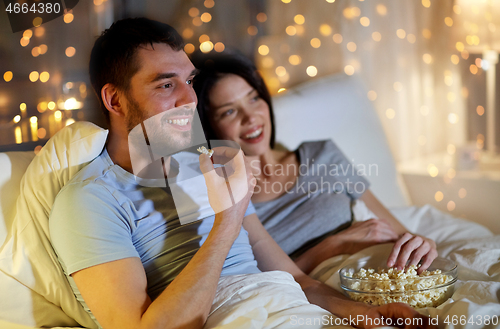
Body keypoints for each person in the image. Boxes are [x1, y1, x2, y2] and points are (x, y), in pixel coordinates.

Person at [49, 18, 433, 329]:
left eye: (189, 81)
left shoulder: (207, 165)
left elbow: (297, 281)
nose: (190, 99)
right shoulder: (89, 201)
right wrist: (227, 219)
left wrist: (366, 315)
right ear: (115, 99)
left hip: (289, 309)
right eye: (167, 84)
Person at [192, 51, 438, 274]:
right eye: (229, 111)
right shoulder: (230, 200)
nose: (250, 117)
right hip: (316, 295)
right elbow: (266, 280)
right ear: (209, 126)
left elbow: (397, 229)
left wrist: (422, 243)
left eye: (253, 98)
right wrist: (333, 245)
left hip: (380, 271)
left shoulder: (322, 154)